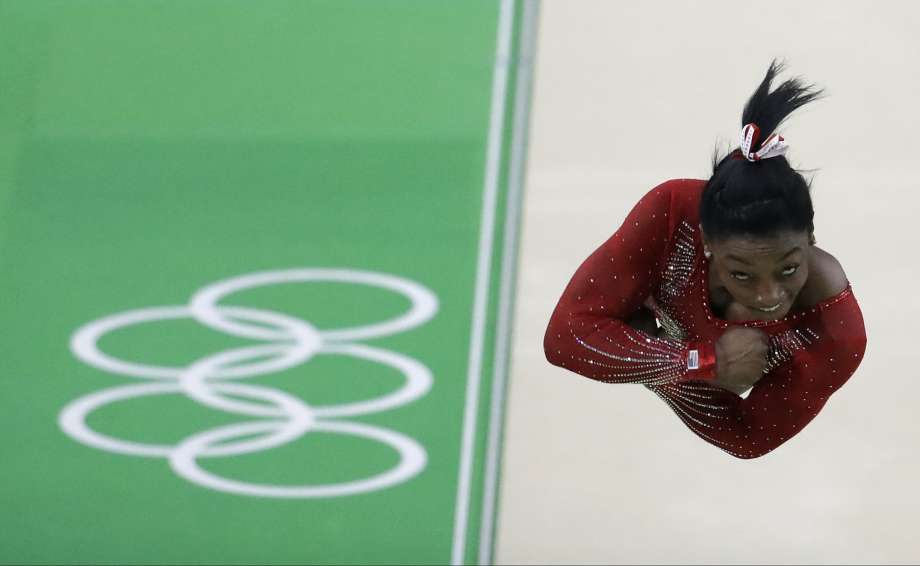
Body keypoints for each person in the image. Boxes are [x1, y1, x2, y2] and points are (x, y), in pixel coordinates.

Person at [543, 59, 867, 459]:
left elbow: (749, 438)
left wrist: (664, 363)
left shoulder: (837, 333)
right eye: (741, 274)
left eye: (788, 268)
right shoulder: (672, 214)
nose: (768, 294)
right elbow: (564, 337)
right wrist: (698, 360)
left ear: (811, 237)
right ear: (705, 242)